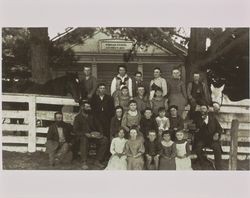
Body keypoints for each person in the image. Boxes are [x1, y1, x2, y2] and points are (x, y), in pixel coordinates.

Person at [73, 101, 109, 170]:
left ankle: (97, 160)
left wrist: (100, 134)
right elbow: (75, 130)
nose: (89, 108)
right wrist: (85, 134)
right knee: (84, 139)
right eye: (87, 107)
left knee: (104, 140)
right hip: (83, 137)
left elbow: (99, 126)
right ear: (82, 108)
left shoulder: (92, 116)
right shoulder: (77, 118)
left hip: (93, 136)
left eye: (90, 107)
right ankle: (84, 162)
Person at [193, 104, 223, 170]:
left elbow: (219, 128)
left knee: (217, 148)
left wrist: (217, 133)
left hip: (212, 139)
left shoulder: (213, 118)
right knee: (197, 148)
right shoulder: (197, 118)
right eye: (201, 109)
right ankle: (203, 163)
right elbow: (193, 127)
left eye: (204, 108)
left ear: (207, 110)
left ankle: (218, 167)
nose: (202, 110)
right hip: (202, 139)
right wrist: (195, 129)